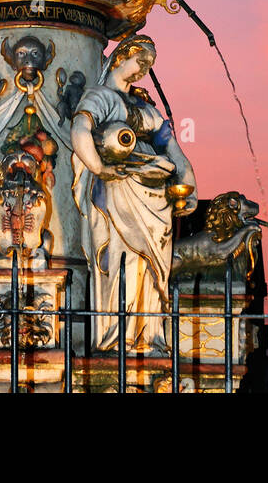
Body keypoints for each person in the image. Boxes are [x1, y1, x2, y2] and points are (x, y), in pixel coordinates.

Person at [70, 35, 197, 354]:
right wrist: (99, 169)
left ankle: (148, 335)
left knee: (152, 265)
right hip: (117, 188)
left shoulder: (144, 108)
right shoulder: (100, 97)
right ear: (120, 57)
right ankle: (116, 336)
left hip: (153, 195)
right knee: (121, 259)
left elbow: (174, 150)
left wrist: (189, 186)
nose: (143, 69)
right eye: (140, 61)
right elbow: (80, 131)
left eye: (148, 66)